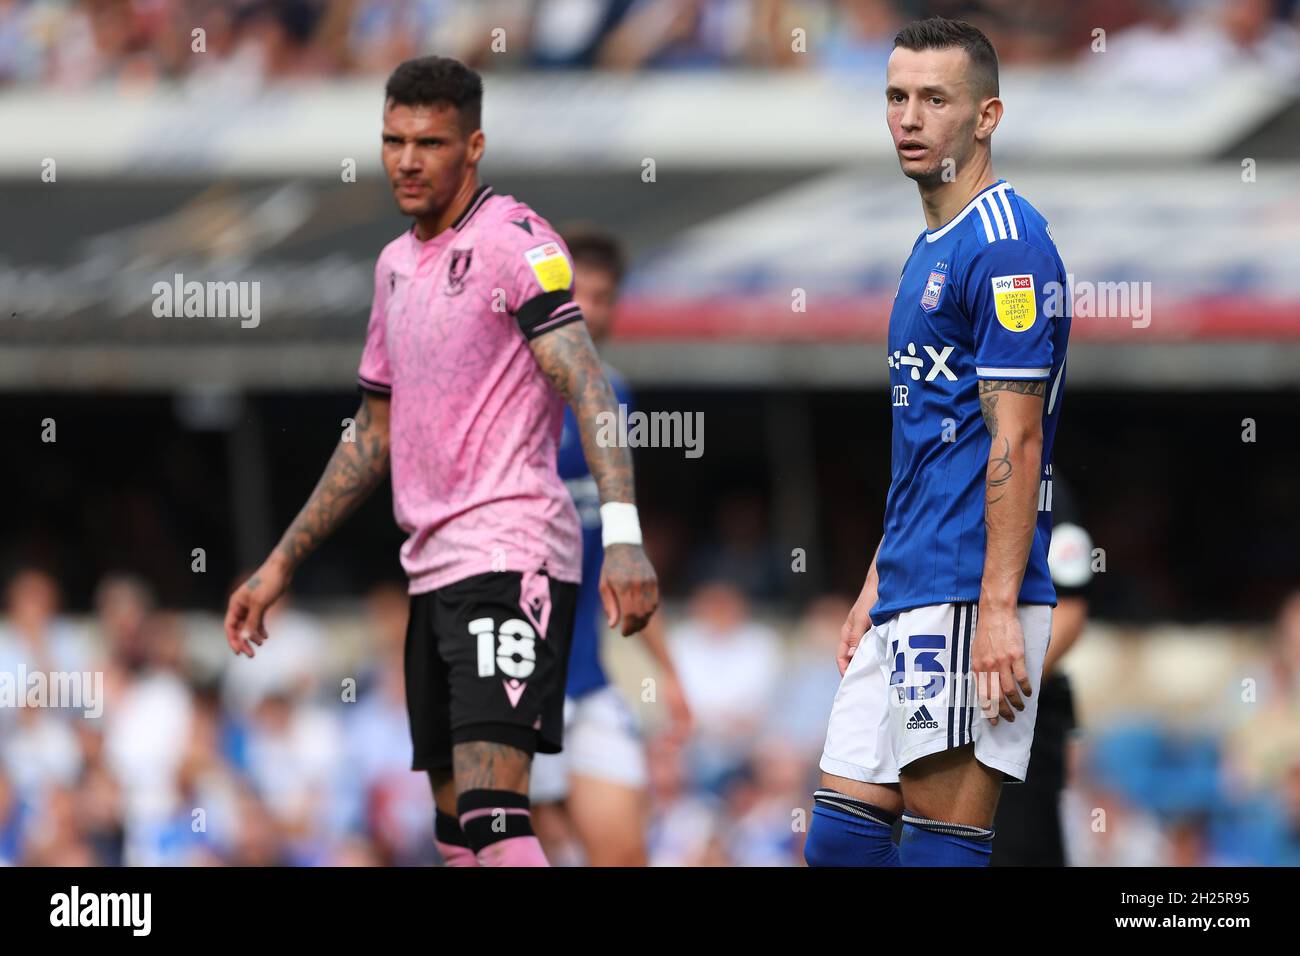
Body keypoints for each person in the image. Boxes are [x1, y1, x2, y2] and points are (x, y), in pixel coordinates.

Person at [223, 56, 659, 868]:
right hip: (432, 568)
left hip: (511, 552)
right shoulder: (393, 266)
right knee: (458, 835)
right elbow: (372, 431)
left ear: (474, 146)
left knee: (496, 818)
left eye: (430, 141)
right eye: (393, 140)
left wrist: (627, 536)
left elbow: (589, 383)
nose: (407, 160)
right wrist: (279, 563)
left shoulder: (514, 242)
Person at [804, 16, 1071, 867]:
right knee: (838, 845)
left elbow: (1015, 442)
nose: (909, 117)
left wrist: (996, 607)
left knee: (938, 850)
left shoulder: (1008, 248)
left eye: (934, 99)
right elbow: (931, 440)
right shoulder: (930, 247)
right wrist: (876, 579)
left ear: (986, 116)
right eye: (896, 97)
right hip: (910, 581)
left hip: (966, 588)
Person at [529, 229, 691, 866]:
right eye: (578, 295)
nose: (590, 310)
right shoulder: (518, 396)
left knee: (624, 854)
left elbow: (624, 550)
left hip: (589, 680)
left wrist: (668, 671)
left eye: (604, 296)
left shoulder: (615, 396)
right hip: (516, 678)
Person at [990, 475, 1093, 865]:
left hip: (1018, 719)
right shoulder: (932, 472)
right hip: (933, 710)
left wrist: (1006, 678)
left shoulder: (1044, 487)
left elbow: (1071, 608)